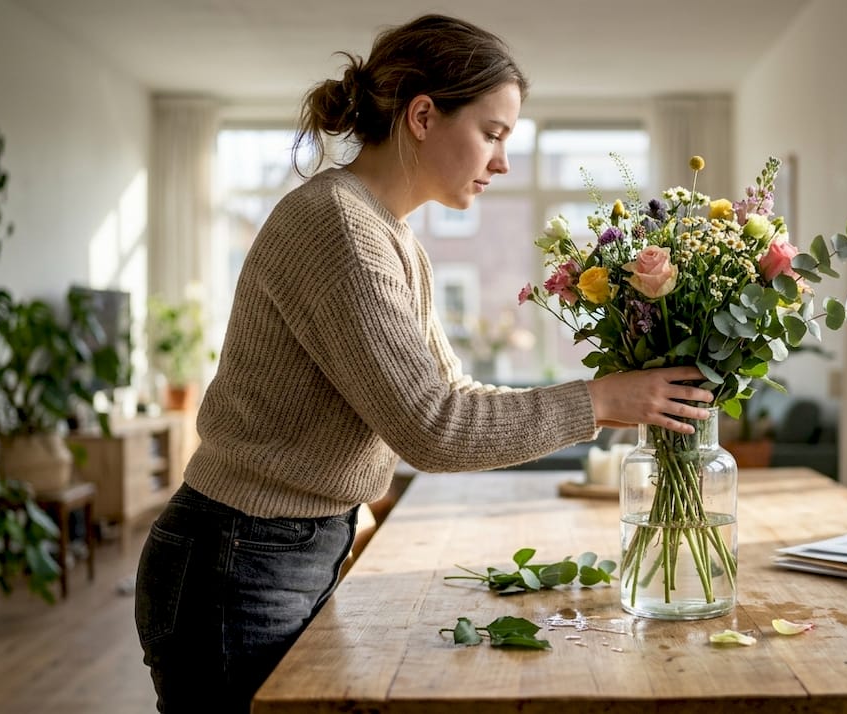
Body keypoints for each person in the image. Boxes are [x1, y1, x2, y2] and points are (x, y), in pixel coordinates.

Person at [134, 12, 712, 713]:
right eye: (492, 134)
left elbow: (450, 393)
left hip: (270, 550)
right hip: (238, 561)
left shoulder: (390, 236)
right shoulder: (338, 226)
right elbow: (433, 426)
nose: (502, 162)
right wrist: (600, 400)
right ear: (423, 115)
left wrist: (603, 400)